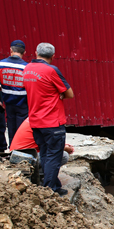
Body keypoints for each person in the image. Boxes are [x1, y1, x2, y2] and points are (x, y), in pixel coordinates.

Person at [23, 43, 73, 196]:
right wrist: (61, 94)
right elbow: (69, 93)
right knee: (54, 156)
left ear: (35, 52)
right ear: (53, 56)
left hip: (36, 120)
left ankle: (53, 185)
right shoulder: (51, 70)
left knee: (45, 154)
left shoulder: (27, 69)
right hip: (52, 121)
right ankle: (50, 190)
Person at [10, 117, 74, 185]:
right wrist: (65, 148)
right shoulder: (44, 122)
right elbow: (53, 147)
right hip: (25, 157)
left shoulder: (35, 118)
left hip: (17, 155)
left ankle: (40, 175)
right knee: (63, 156)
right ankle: (41, 177)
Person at [0, 40, 28, 140]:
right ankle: (22, 151)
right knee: (22, 129)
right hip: (23, 103)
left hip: (8, 103)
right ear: (24, 52)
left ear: (10, 50)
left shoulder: (0, 64)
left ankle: (12, 149)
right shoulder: (26, 67)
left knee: (11, 127)